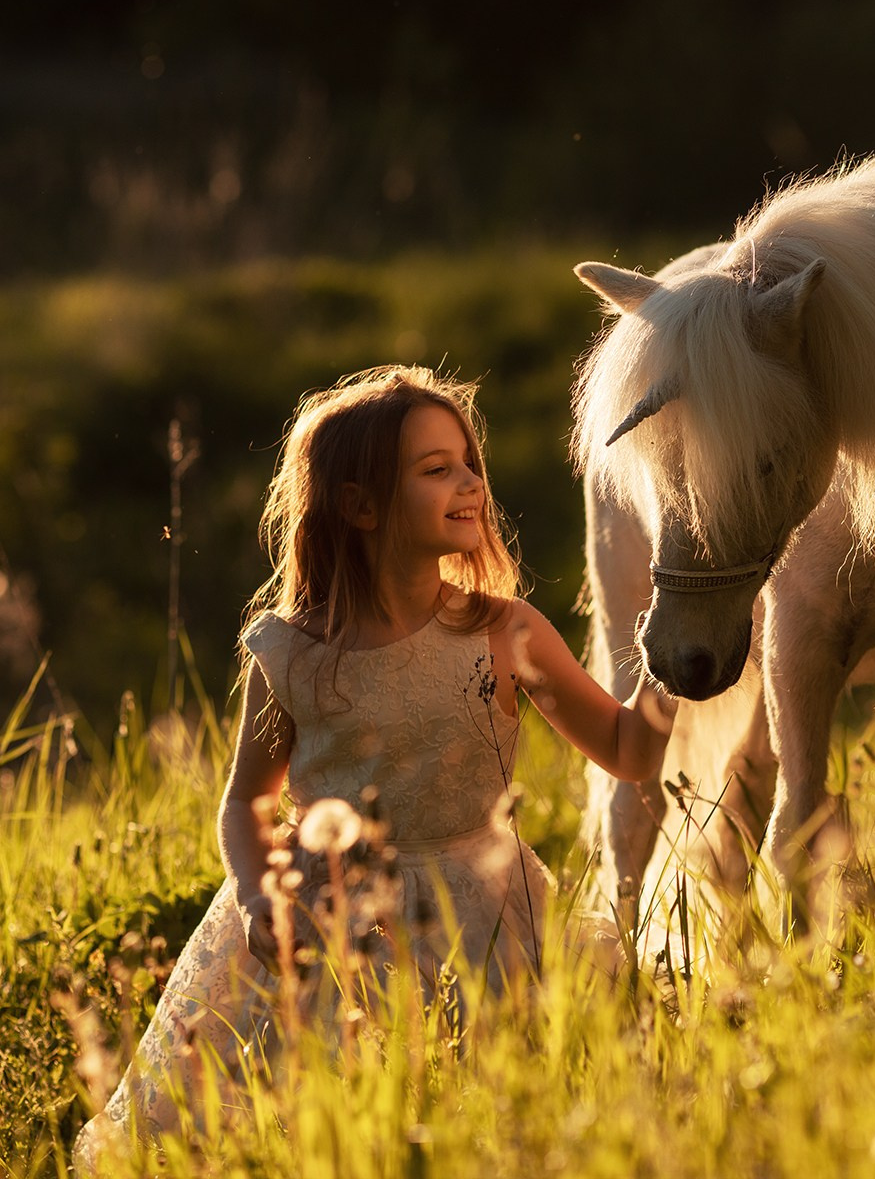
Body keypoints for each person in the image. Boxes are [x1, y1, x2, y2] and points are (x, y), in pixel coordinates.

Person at [73, 364, 672, 1168]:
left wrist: (673, 669)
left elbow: (628, 751)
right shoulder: (293, 654)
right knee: (320, 1122)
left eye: (470, 464)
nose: (469, 483)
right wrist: (258, 896)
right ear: (358, 505)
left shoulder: (505, 632)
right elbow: (247, 803)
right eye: (436, 469)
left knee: (494, 1122)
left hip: (486, 920)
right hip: (336, 930)